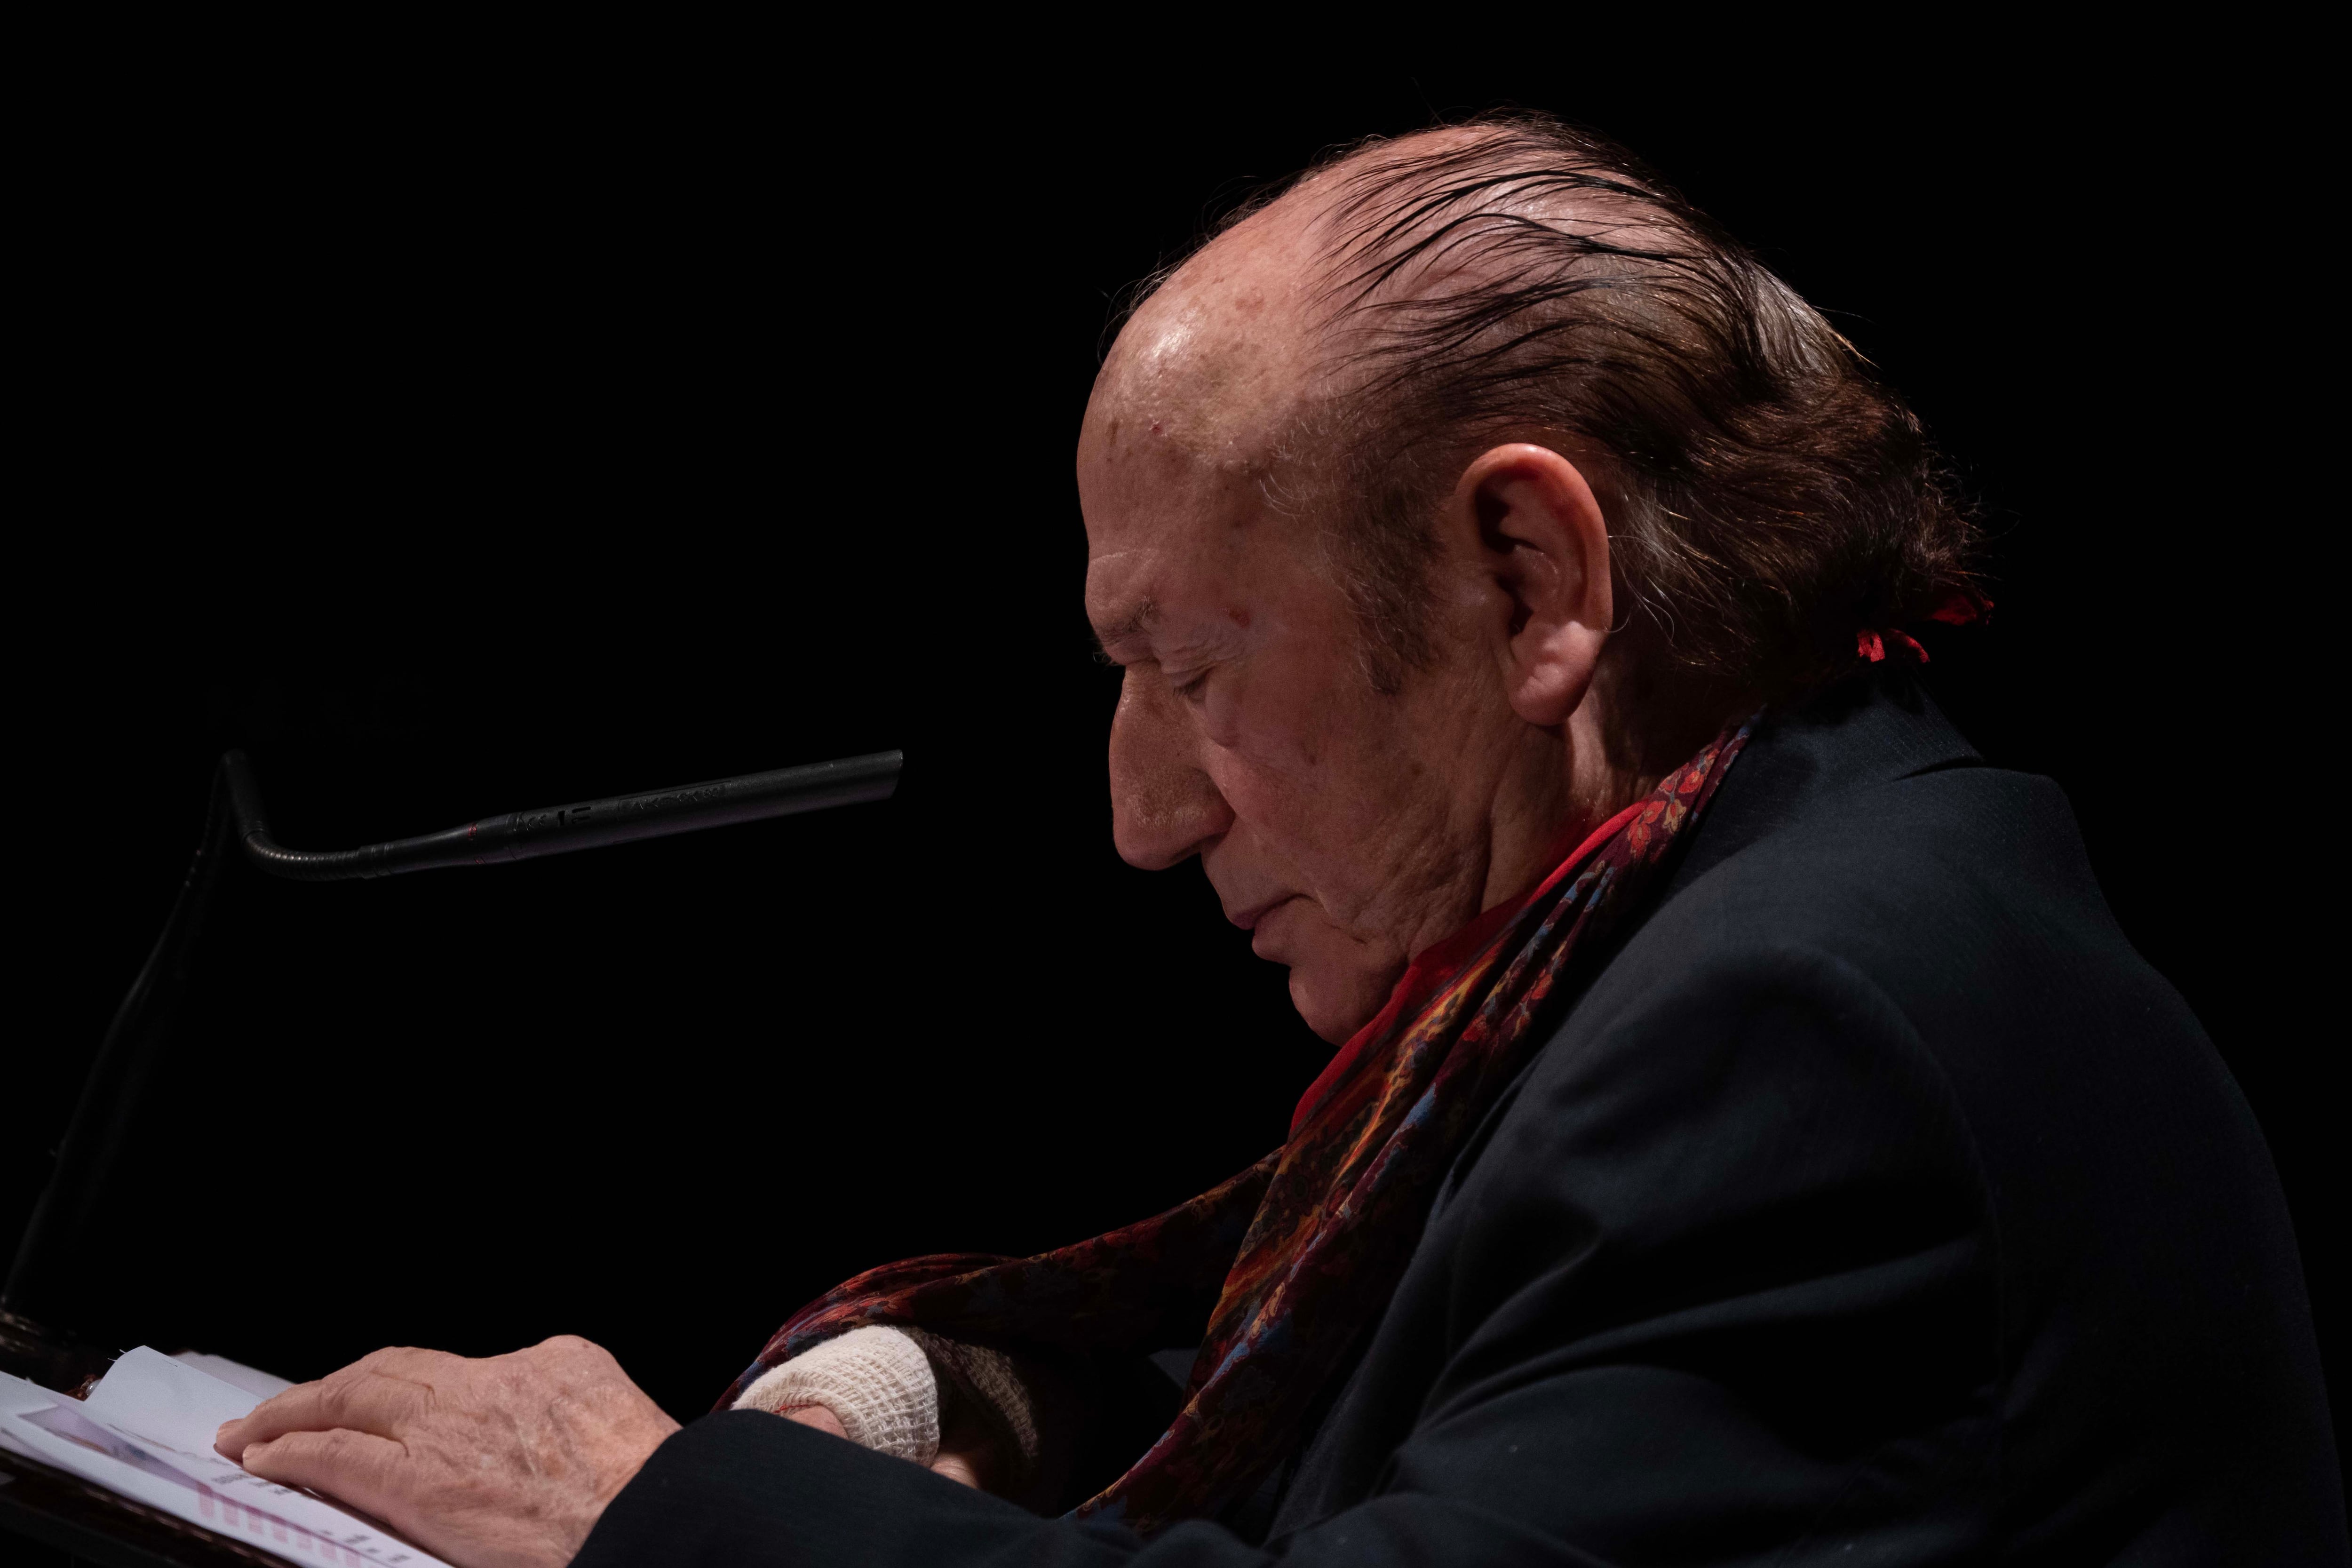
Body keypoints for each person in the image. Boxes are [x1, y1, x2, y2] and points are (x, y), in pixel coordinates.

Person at [212, 116, 2346, 1565]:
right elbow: (1382, 1377)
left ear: (1526, 579)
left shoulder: (1819, 1026)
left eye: (1190, 666)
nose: (1141, 819)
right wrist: (912, 1400)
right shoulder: (1758, 900)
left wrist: (649, 1512)